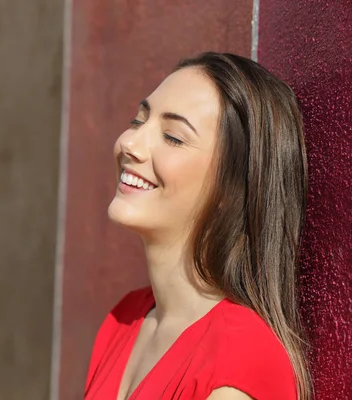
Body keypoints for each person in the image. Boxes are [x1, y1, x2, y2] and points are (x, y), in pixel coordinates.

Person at [84, 52, 312, 400]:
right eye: (137, 120)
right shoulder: (124, 319)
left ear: (232, 186)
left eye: (173, 137)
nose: (129, 144)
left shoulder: (239, 363)